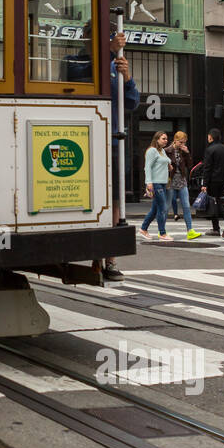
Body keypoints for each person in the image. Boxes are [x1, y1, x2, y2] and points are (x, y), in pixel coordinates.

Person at [102, 31, 139, 280]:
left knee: (115, 198)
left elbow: (132, 103)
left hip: (114, 139)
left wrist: (127, 78)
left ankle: (110, 259)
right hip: (90, 136)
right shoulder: (81, 61)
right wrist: (107, 51)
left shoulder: (117, 66)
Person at [165, 130, 202, 241]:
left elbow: (190, 165)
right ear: (175, 140)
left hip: (182, 181)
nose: (183, 144)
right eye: (181, 142)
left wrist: (187, 153)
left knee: (186, 206)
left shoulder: (183, 151)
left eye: (184, 142)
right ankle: (162, 230)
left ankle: (190, 231)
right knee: (166, 207)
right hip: (170, 181)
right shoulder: (167, 150)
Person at [200, 128, 224, 240]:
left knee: (214, 202)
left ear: (211, 137)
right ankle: (216, 227)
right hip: (223, 180)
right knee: (216, 201)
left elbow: (207, 167)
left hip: (213, 180)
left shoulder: (210, 149)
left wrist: (204, 183)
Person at [140, 131, 172, 241]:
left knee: (155, 209)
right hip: (155, 183)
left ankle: (143, 229)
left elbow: (164, 161)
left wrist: (169, 165)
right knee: (163, 207)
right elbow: (147, 167)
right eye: (163, 138)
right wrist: (148, 183)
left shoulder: (162, 151)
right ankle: (162, 233)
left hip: (163, 183)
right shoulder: (152, 151)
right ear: (157, 139)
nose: (166, 140)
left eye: (166, 139)